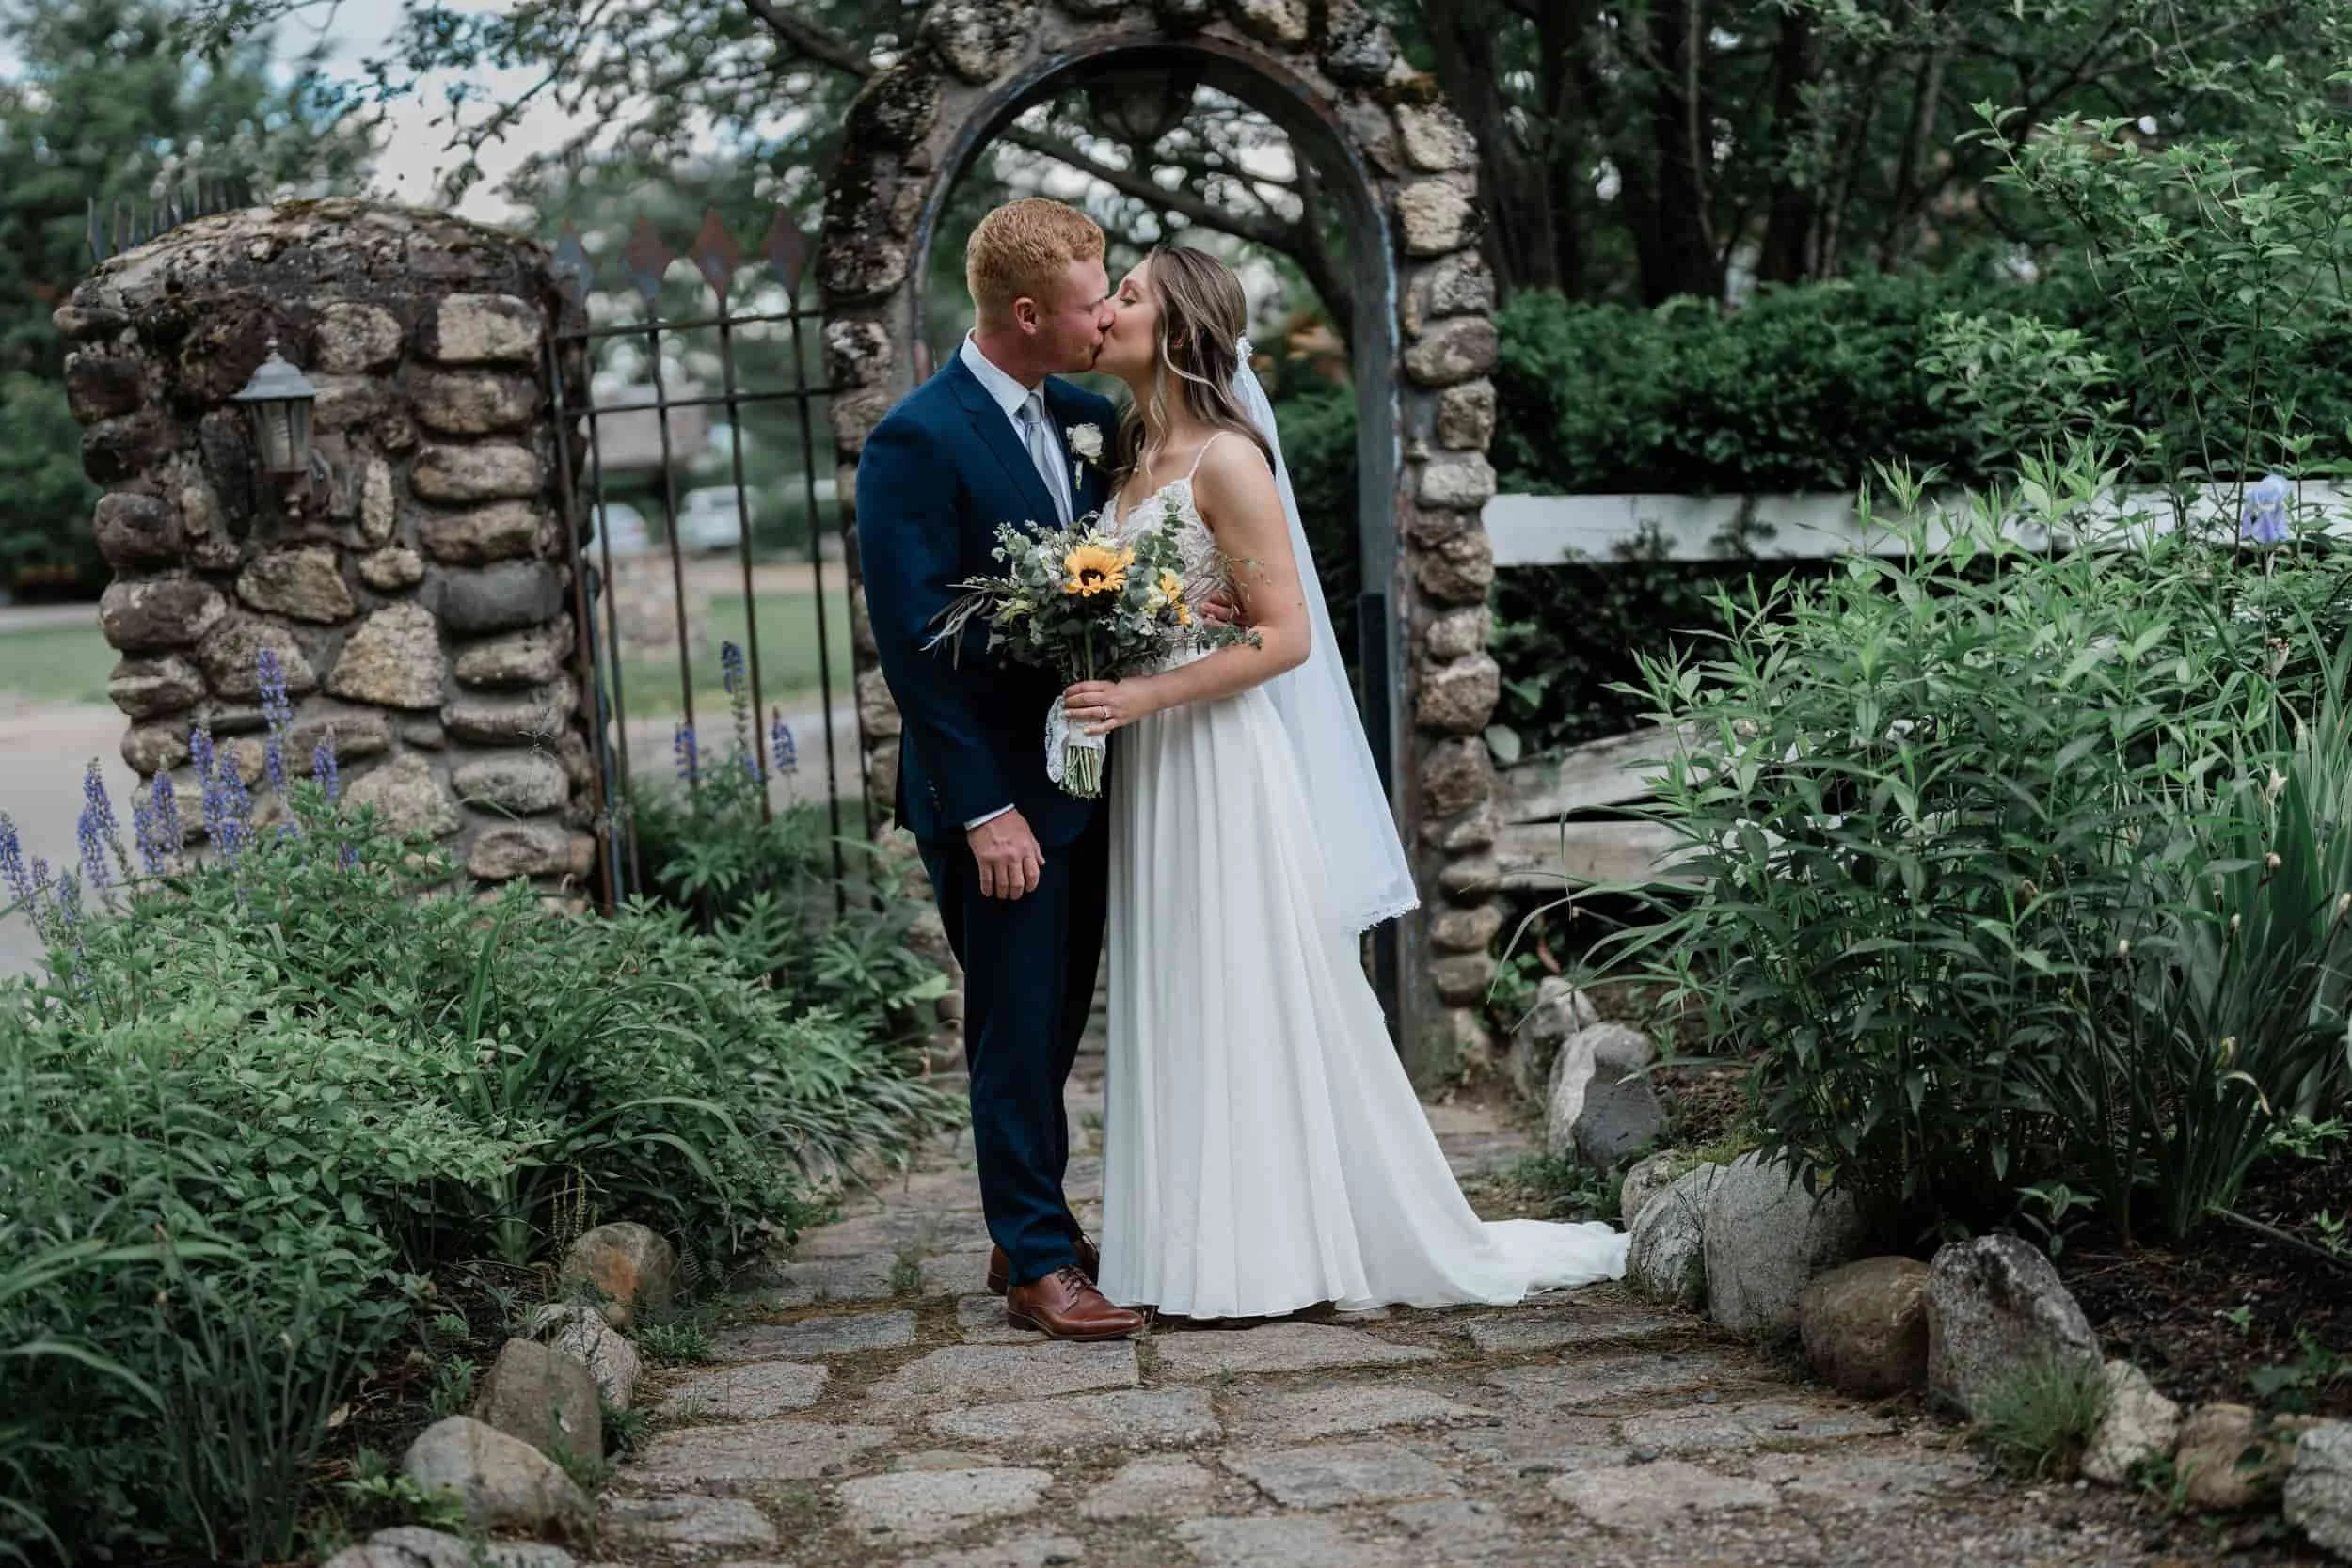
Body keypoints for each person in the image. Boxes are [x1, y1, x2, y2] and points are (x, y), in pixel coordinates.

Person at [1063, 245, 1630, 1320]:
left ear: (1177, 325)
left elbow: (1281, 641)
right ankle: (1180, 1244)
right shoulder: (1131, 455)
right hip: (1154, 772)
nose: (1106, 309)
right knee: (1176, 980)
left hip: (1217, 760)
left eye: (1127, 294)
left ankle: (1265, 1250)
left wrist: (1143, 694)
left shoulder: (1227, 461)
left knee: (1240, 980)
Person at [854, 198, 1142, 1340]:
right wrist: (983, 811)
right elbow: (915, 643)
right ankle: (1036, 1261)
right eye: (1091, 298)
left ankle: (1024, 1220)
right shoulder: (915, 439)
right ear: (1026, 312)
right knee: (1013, 1025)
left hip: (1078, 778)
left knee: (1057, 1013)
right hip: (989, 800)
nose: (1107, 311)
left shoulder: (1079, 415)